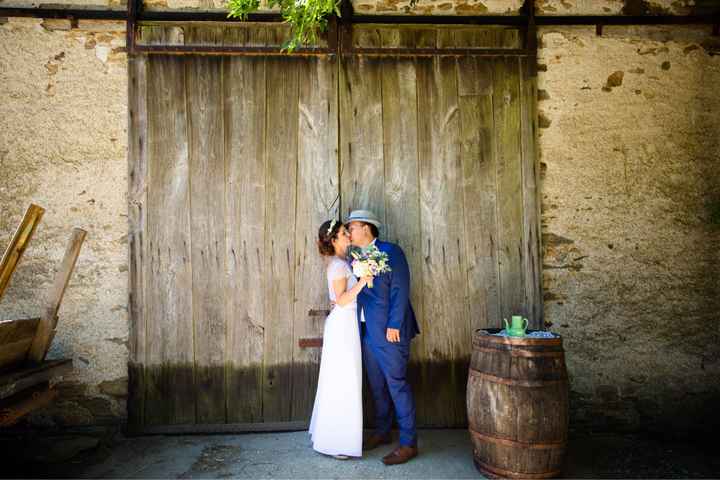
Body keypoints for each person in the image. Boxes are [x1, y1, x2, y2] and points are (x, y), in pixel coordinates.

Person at [345, 209, 421, 465]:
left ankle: (409, 443)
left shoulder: (391, 251)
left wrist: (395, 323)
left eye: (352, 227)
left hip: (391, 332)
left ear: (366, 228)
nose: (349, 232)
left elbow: (401, 288)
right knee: (376, 385)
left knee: (396, 384)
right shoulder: (353, 256)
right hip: (367, 332)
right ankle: (382, 431)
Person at [308, 219, 371, 460]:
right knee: (343, 379)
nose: (348, 236)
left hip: (347, 324)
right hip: (342, 325)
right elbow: (342, 299)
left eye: (347, 232)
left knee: (346, 378)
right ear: (333, 241)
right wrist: (363, 282)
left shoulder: (345, 262)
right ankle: (337, 441)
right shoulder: (336, 265)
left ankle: (340, 435)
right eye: (344, 233)